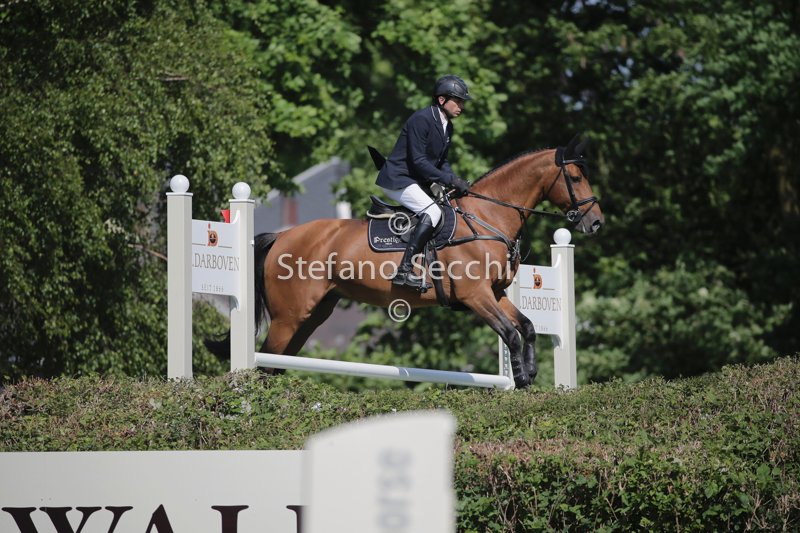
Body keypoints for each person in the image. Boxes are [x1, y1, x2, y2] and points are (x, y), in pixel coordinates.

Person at [376, 75, 472, 290]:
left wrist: (454, 181)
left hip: (415, 180)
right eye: (458, 101)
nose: (462, 106)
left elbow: (442, 162)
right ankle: (404, 271)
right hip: (398, 179)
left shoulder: (447, 126)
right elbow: (418, 161)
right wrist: (449, 180)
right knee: (433, 212)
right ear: (441, 100)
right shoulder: (422, 119)